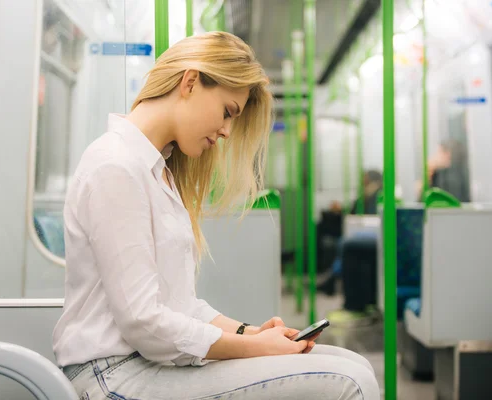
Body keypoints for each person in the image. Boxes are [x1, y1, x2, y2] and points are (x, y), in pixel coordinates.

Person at [52, 32, 379, 399]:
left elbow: (179, 306)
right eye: (227, 112)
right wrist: (257, 348)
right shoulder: (115, 166)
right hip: (113, 374)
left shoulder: (157, 171)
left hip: (145, 363)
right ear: (190, 82)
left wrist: (248, 333)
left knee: (354, 364)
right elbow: (144, 322)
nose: (226, 131)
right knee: (350, 383)